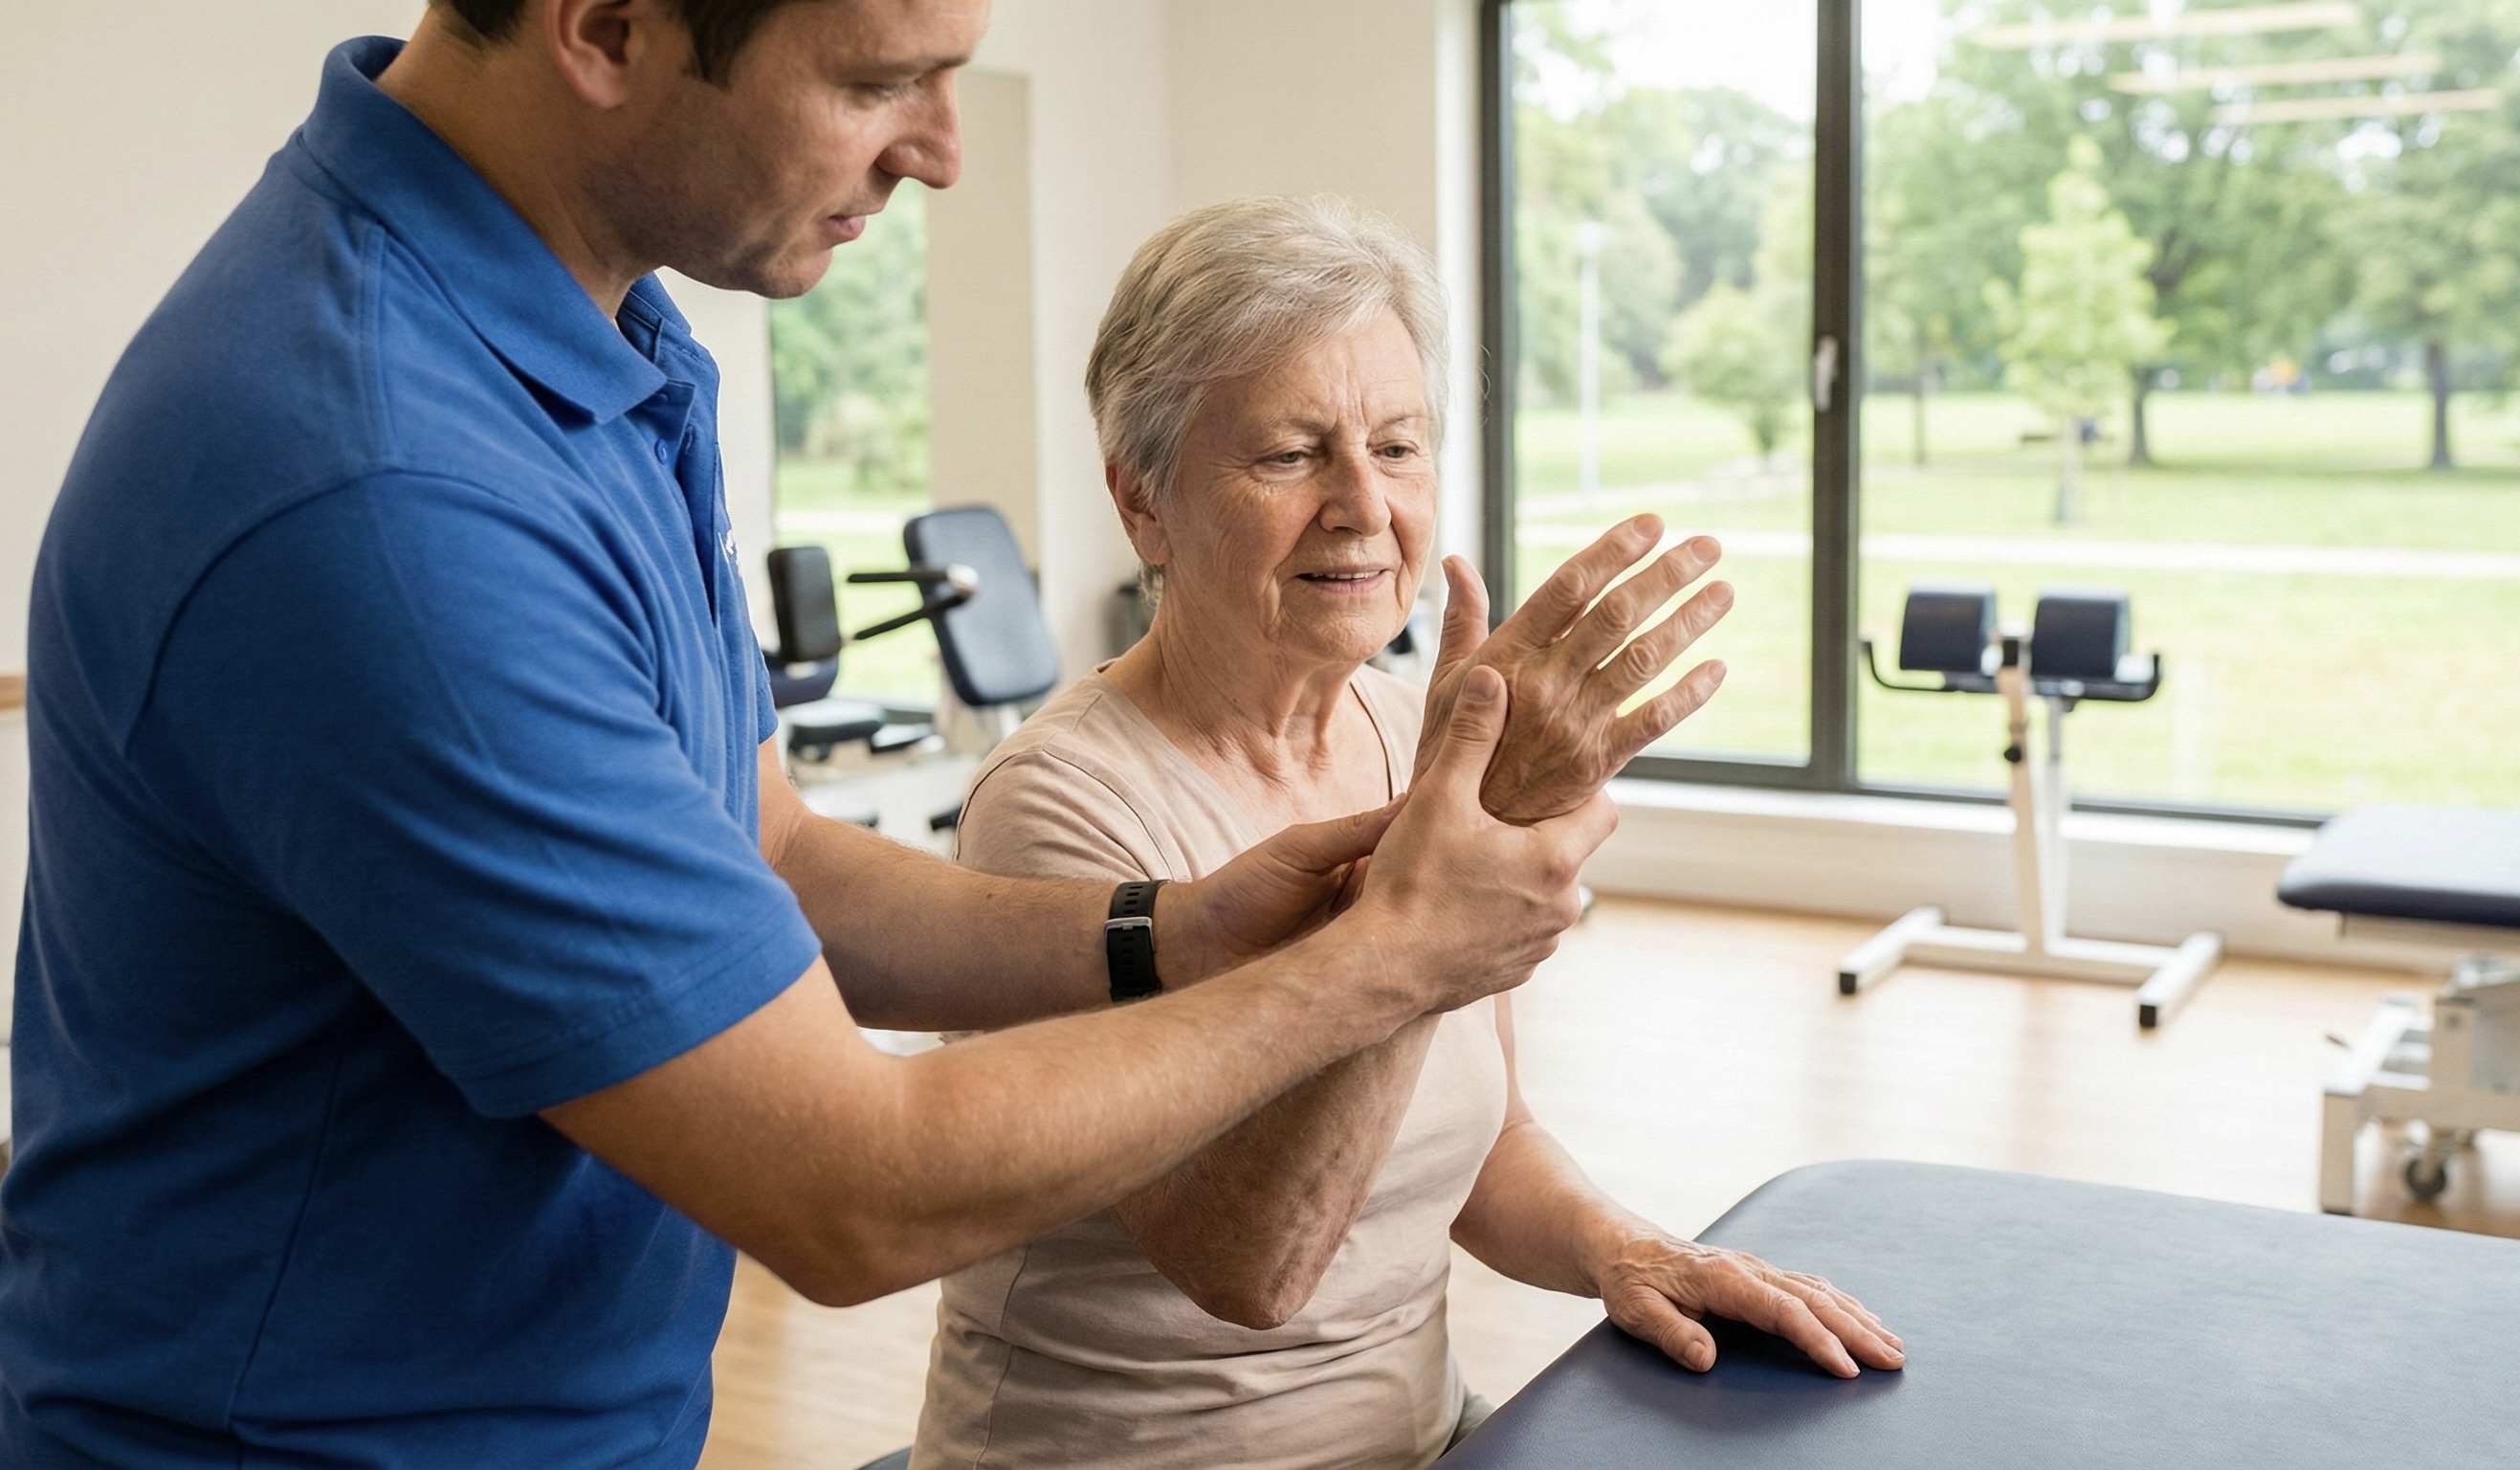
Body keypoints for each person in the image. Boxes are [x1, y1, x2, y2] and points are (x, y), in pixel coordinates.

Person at [0, 4, 1719, 1464]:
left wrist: (1170, 931)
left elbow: (773, 860)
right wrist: (1387, 956)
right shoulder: (384, 488)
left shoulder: (611, 342)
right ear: (605, 25)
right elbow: (849, 1195)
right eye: (877, 78)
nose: (944, 151)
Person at [909, 197, 1904, 1470]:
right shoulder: (1056, 809)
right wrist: (1432, 892)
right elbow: (1247, 1263)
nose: (1361, 505)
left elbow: (1483, 1140)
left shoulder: (1409, 735)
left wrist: (1628, 1250)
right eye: (1288, 455)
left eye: (1396, 445)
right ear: (1143, 503)